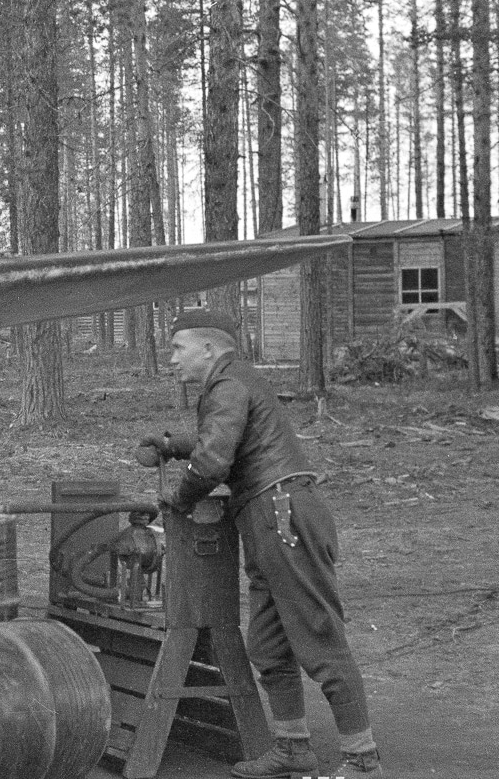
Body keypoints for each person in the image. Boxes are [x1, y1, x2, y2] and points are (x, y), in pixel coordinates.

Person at [138, 310, 383, 779]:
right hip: (268, 516)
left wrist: (179, 500)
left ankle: (363, 760)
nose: (171, 360)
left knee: (318, 636)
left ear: (207, 349)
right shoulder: (235, 381)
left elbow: (213, 461)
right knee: (269, 644)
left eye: (177, 349)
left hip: (282, 514)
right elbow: (224, 440)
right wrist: (171, 443)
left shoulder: (226, 385)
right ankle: (293, 747)